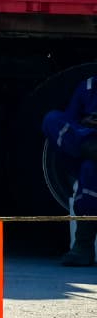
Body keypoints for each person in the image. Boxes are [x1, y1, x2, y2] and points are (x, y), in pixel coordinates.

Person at [42, 75, 97, 266]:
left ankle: (83, 246)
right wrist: (85, 125)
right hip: (85, 147)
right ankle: (91, 147)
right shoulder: (87, 86)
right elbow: (69, 121)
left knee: (90, 170)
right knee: (52, 119)